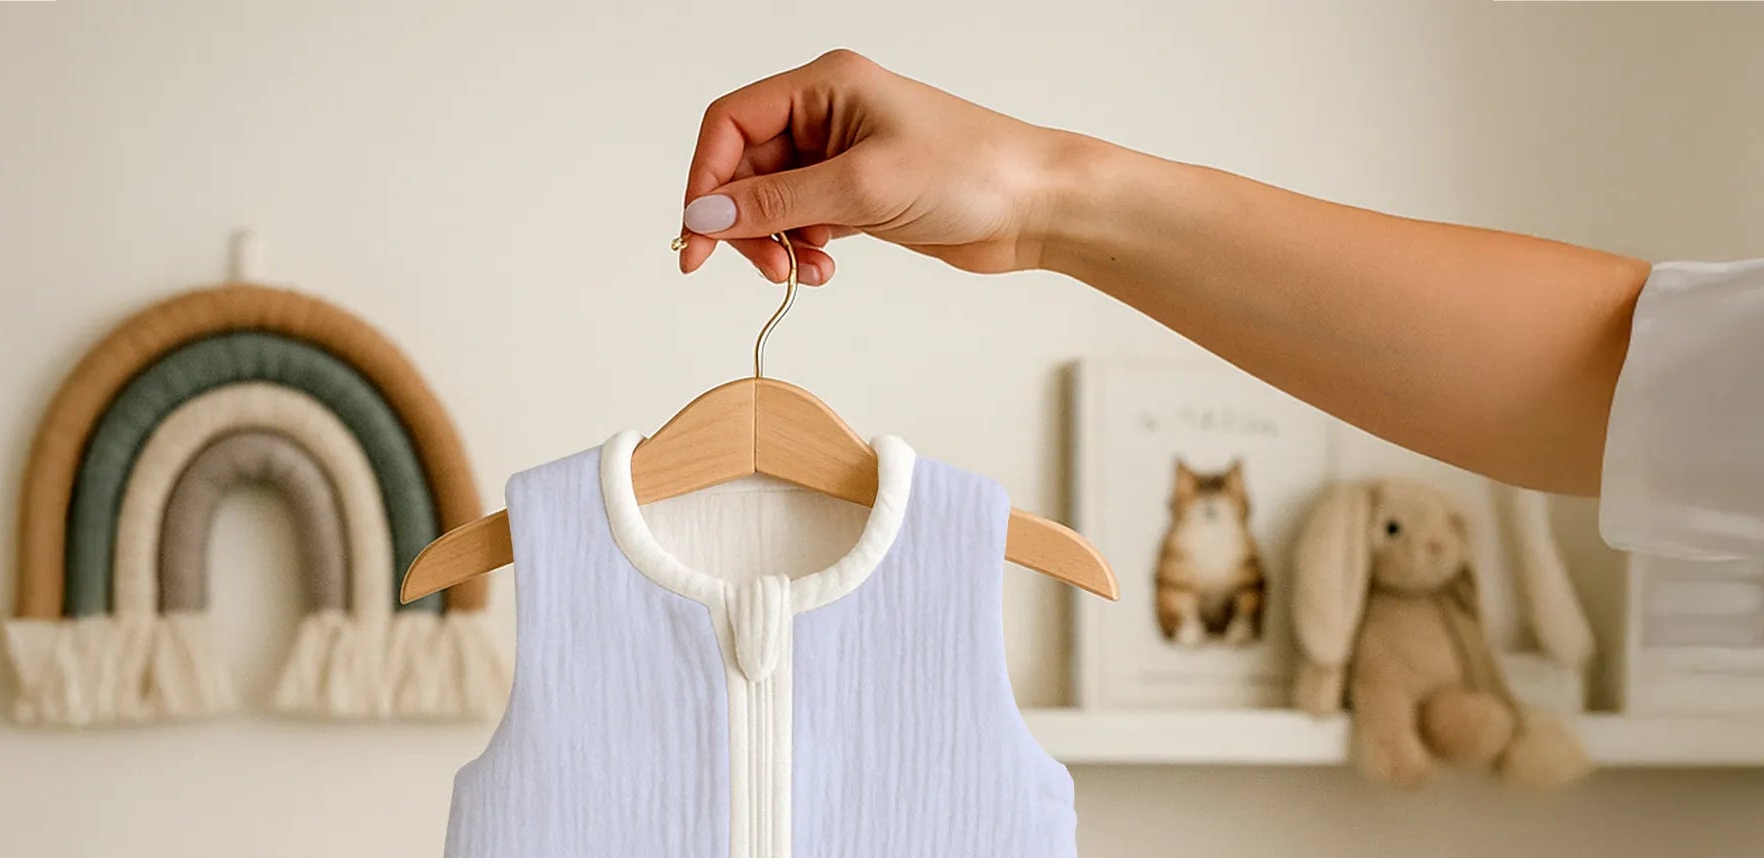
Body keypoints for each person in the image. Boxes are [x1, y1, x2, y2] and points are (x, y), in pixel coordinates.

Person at [675, 51, 1762, 563]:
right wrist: (1037, 196)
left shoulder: (949, 572)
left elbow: (1631, 386)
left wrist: (1044, 198)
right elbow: (1632, 382)